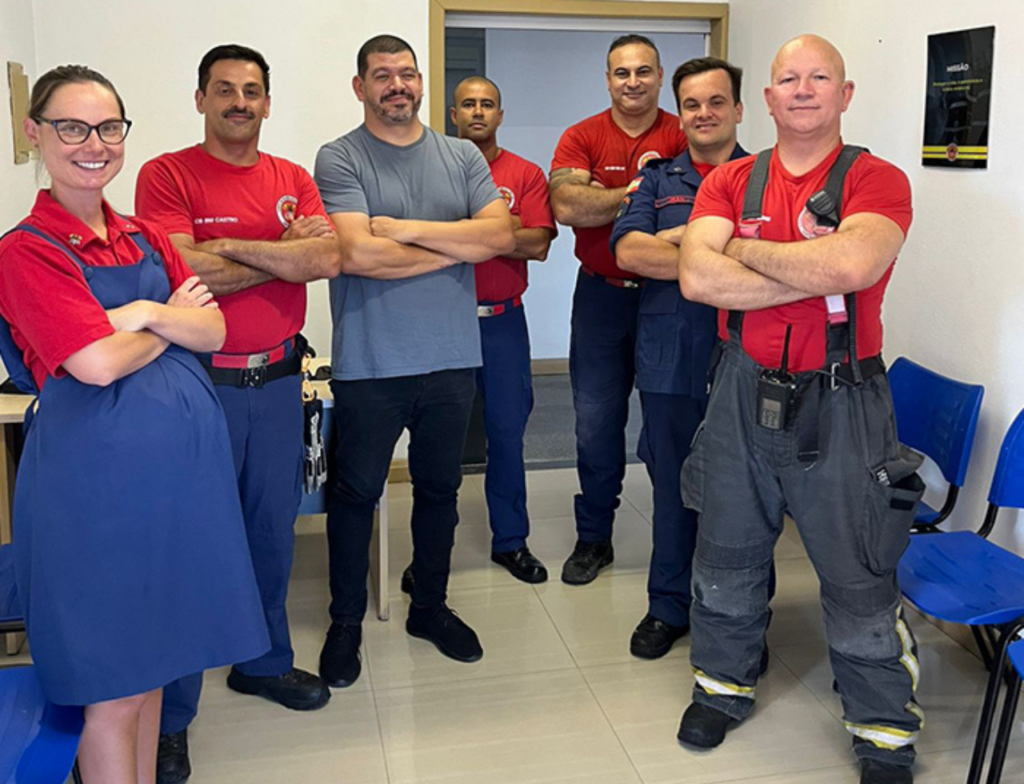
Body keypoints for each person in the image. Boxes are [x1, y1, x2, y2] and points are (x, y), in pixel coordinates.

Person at [0, 65, 269, 784]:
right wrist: (168, 322)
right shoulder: (27, 250)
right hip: (97, 495)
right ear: (34, 134)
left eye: (108, 127)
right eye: (71, 127)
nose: (94, 144)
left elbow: (214, 329)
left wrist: (144, 315)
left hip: (172, 490)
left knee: (151, 675)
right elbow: (93, 364)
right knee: (113, 688)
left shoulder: (143, 234)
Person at [676, 35, 922, 784]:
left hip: (845, 399)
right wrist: (812, 270)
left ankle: (882, 729)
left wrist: (745, 251)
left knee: (857, 570)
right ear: (768, 99)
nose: (804, 89)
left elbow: (852, 262)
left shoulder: (876, 180)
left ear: (844, 95)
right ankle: (721, 688)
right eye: (790, 78)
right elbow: (696, 279)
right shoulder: (730, 180)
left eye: (820, 78)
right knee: (725, 549)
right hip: (741, 390)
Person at [135, 44, 339, 783]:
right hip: (200, 384)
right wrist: (278, 251)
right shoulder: (167, 174)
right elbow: (178, 268)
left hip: (280, 383)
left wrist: (227, 252)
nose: (239, 102)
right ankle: (173, 716)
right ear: (201, 99)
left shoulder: (291, 177)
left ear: (268, 102)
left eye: (252, 91)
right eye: (224, 90)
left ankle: (262, 662)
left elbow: (325, 260)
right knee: (192, 543)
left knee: (270, 533)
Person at [314, 35, 514, 687]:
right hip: (371, 363)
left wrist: (402, 229)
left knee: (439, 492)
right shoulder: (340, 156)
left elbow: (500, 235)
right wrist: (457, 247)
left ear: (421, 81)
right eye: (382, 75)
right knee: (355, 495)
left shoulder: (461, 155)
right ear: (360, 86)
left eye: (406, 73)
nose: (396, 85)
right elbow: (355, 254)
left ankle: (428, 607)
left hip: (451, 359)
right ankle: (345, 622)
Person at [610, 57, 747, 659]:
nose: (704, 114)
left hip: (748, 359)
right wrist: (724, 253)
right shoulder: (657, 181)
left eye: (716, 102)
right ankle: (668, 605)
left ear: (738, 108)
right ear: (680, 113)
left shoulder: (766, 179)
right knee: (673, 486)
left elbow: (787, 255)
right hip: (672, 359)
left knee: (744, 495)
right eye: (692, 104)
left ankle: (739, 616)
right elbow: (630, 253)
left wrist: (677, 241)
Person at [550, 34, 687, 585]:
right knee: (595, 422)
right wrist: (642, 194)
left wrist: (605, 198)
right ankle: (594, 538)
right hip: (600, 297)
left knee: (669, 426)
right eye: (622, 72)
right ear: (608, 80)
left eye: (643, 71)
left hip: (669, 297)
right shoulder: (582, 136)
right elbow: (566, 206)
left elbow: (701, 209)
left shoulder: (683, 132)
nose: (633, 82)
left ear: (660, 76)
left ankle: (676, 542)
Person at [449, 75, 556, 583]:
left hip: (503, 323)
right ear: (453, 115)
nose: (477, 112)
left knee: (507, 432)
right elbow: (424, 242)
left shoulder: (524, 173)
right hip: (444, 323)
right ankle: (433, 549)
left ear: (500, 114)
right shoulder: (435, 171)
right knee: (439, 439)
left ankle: (511, 541)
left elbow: (538, 244)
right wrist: (503, 230)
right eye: (468, 104)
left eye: (487, 104)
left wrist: (467, 234)